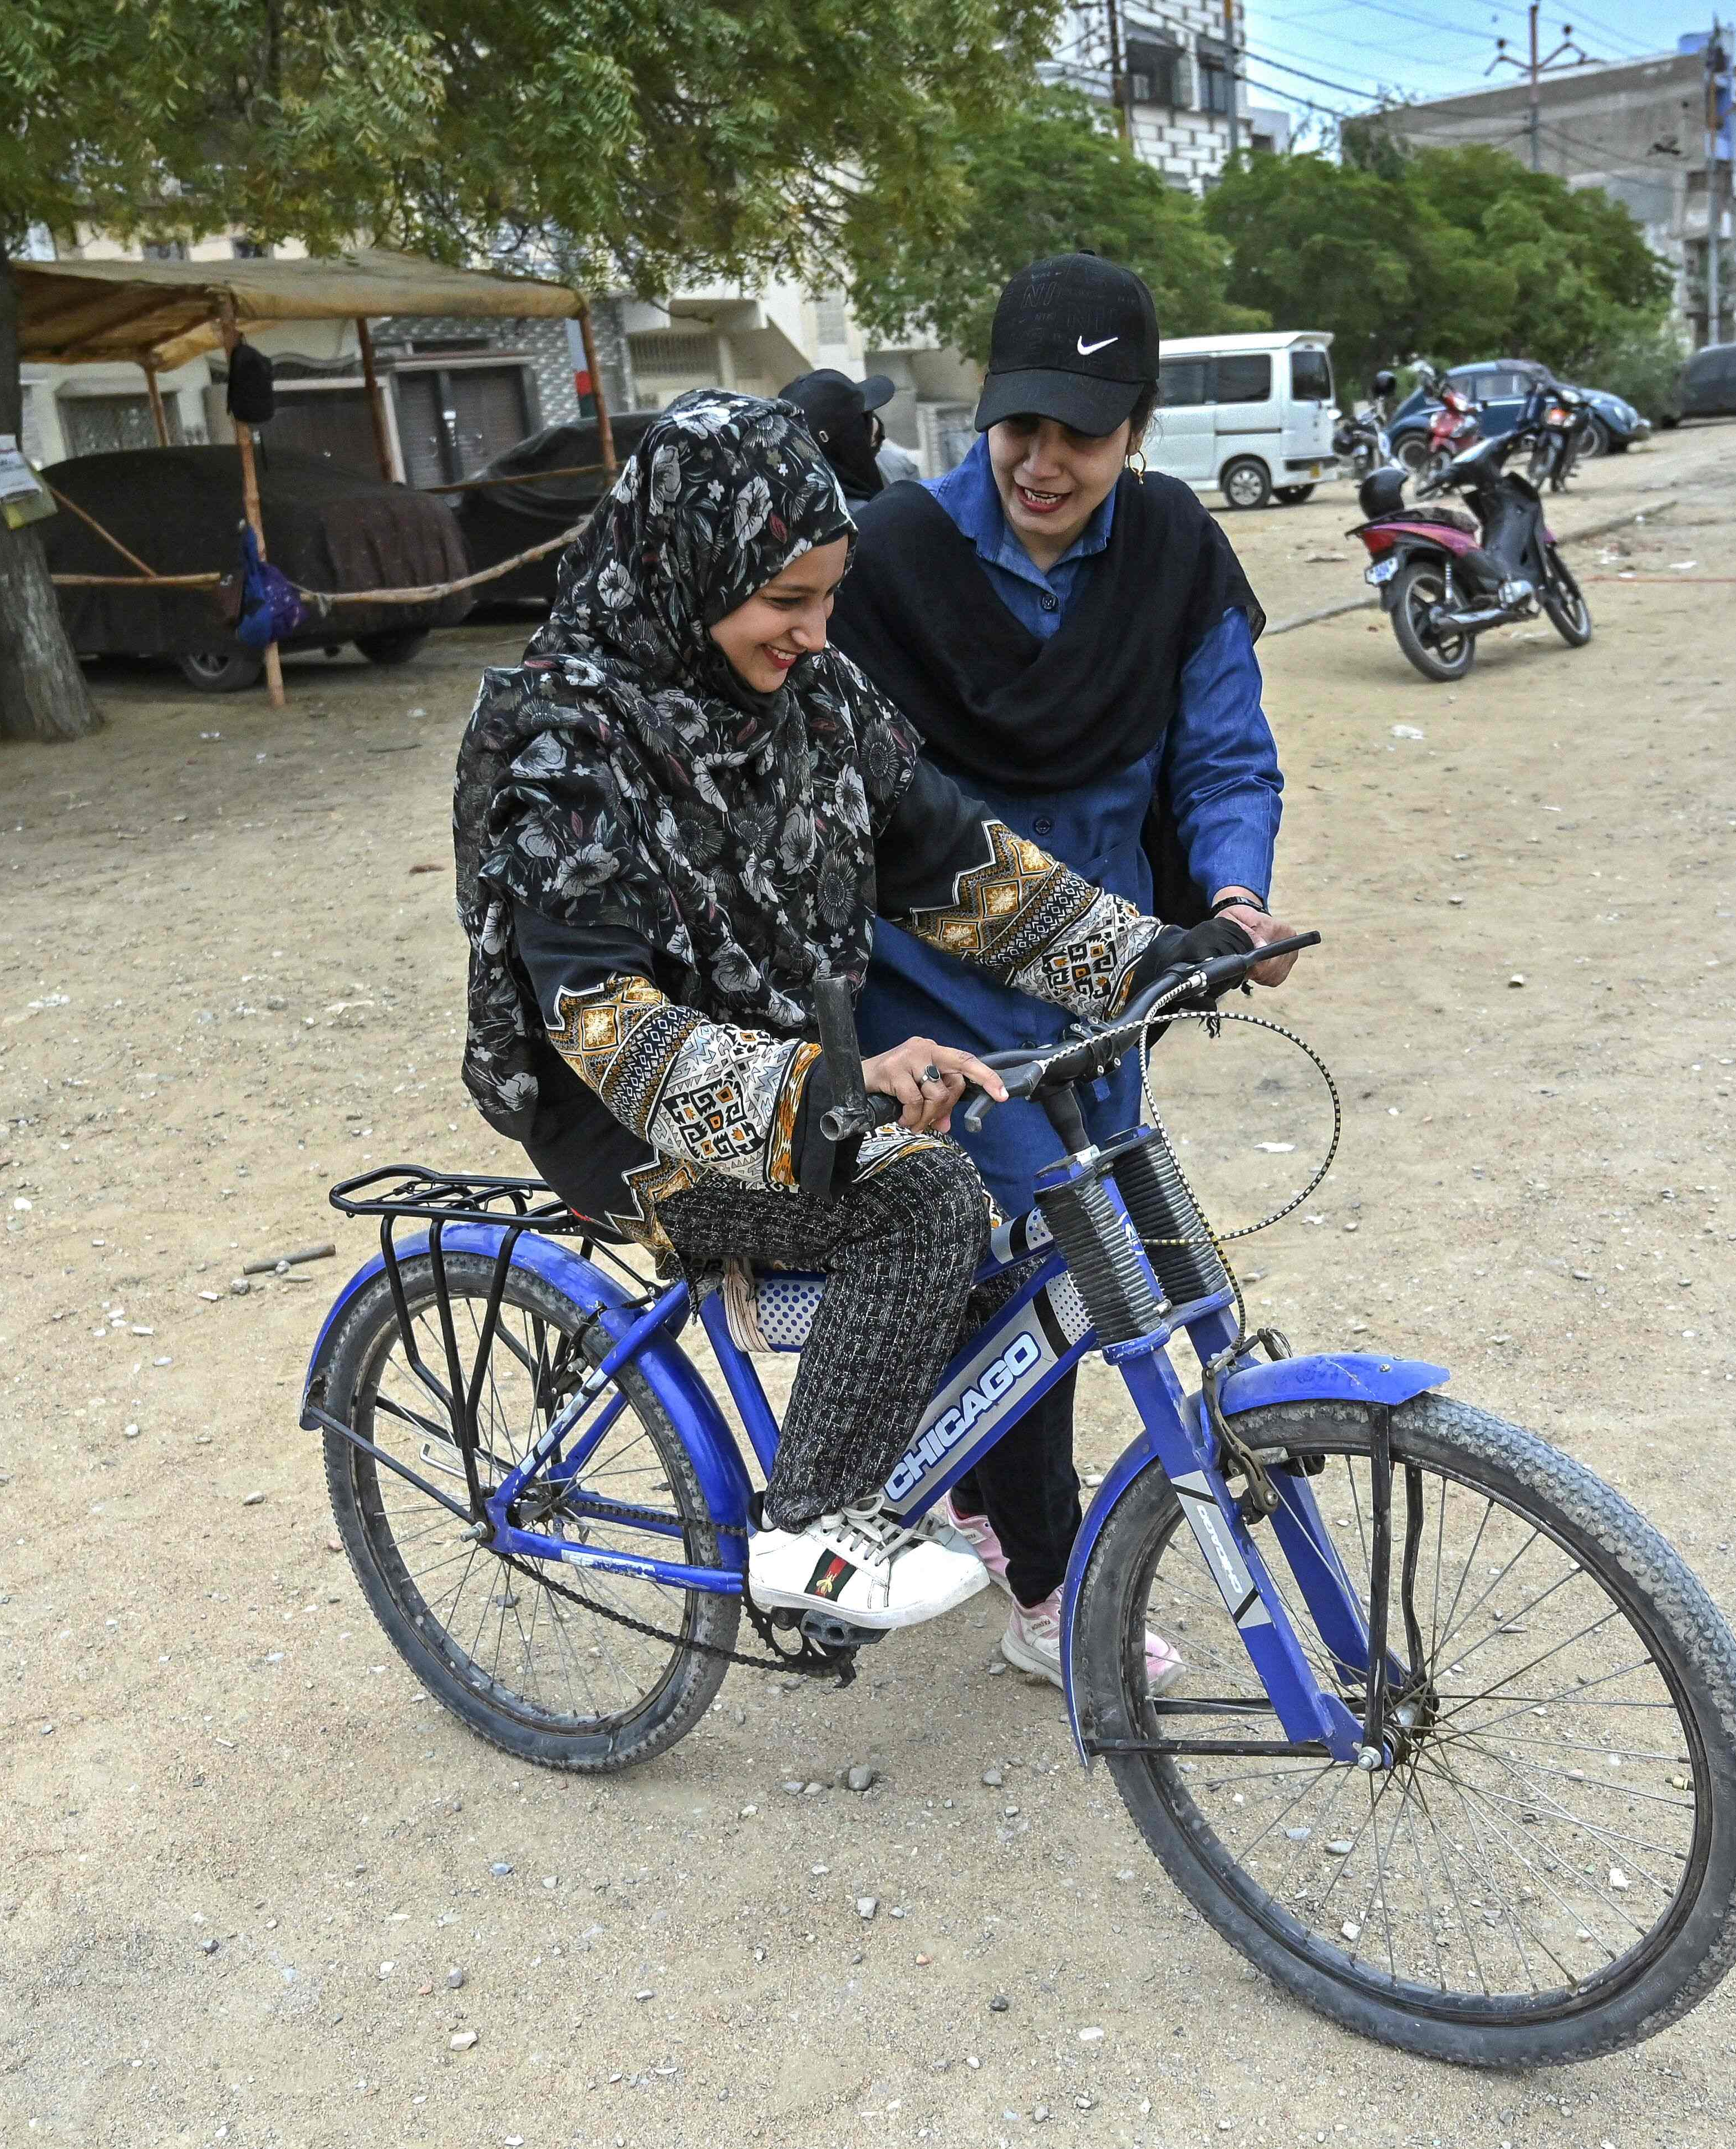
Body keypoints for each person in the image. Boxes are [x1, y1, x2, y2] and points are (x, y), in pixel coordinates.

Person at [455, 388, 1254, 1632]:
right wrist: (830, 1089)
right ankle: (812, 1530)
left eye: (829, 597)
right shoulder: (565, 746)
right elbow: (603, 1021)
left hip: (787, 1059)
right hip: (624, 1119)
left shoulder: (813, 705)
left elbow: (962, 869)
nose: (820, 633)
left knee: (1006, 1195)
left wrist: (1152, 957)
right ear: (691, 566)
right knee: (923, 1194)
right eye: (788, 602)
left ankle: (988, 1515)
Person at [827, 252, 1299, 1689]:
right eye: (1017, 424)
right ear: (983, 411)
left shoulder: (1172, 556)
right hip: (929, 997)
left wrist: (1231, 895)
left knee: (1075, 1263)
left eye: (1078, 434)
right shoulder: (884, 558)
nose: (1041, 462)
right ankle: (1045, 1585)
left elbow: (1222, 752)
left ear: (1138, 427)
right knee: (1041, 1254)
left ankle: (969, 1491)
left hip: (1105, 990)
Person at [776, 369, 897, 510]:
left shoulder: (788, 512)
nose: (874, 422)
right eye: (865, 419)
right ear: (851, 440)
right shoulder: (865, 521)